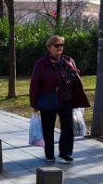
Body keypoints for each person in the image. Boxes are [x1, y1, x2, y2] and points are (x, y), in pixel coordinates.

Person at [29, 35, 90, 163]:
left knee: (68, 127)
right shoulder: (42, 64)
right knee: (48, 128)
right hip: (49, 100)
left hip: (66, 99)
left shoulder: (68, 61)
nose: (59, 47)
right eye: (56, 45)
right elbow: (34, 84)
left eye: (61, 45)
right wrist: (34, 103)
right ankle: (49, 154)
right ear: (49, 47)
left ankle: (65, 153)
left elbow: (75, 78)